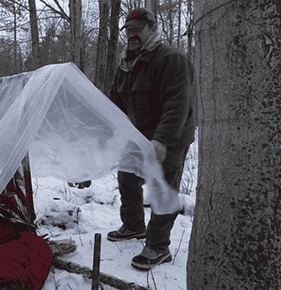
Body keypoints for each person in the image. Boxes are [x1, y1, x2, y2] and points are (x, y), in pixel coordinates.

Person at [106, 7, 195, 271]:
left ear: (151, 28)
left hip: (171, 136)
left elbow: (177, 105)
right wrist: (105, 130)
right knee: (127, 177)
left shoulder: (171, 59)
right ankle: (133, 226)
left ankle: (158, 246)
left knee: (162, 189)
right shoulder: (126, 63)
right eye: (128, 30)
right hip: (139, 134)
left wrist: (161, 141)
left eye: (137, 29)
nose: (131, 34)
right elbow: (115, 103)